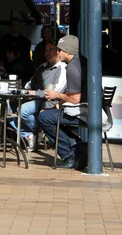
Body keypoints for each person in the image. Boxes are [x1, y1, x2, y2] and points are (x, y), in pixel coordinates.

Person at [38, 34, 87, 169]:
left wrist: (57, 95)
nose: (57, 52)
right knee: (50, 114)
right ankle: (79, 146)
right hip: (88, 108)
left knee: (44, 118)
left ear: (68, 52)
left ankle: (68, 156)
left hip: (85, 112)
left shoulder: (72, 68)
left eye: (59, 50)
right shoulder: (80, 61)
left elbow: (75, 99)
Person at [11, 42, 67, 151]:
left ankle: (40, 129)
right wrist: (22, 93)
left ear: (58, 51)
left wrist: (34, 93)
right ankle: (29, 134)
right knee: (7, 108)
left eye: (51, 49)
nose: (47, 52)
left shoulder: (62, 67)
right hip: (35, 99)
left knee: (22, 110)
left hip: (50, 102)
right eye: (46, 50)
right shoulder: (42, 67)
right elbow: (29, 85)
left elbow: (56, 91)